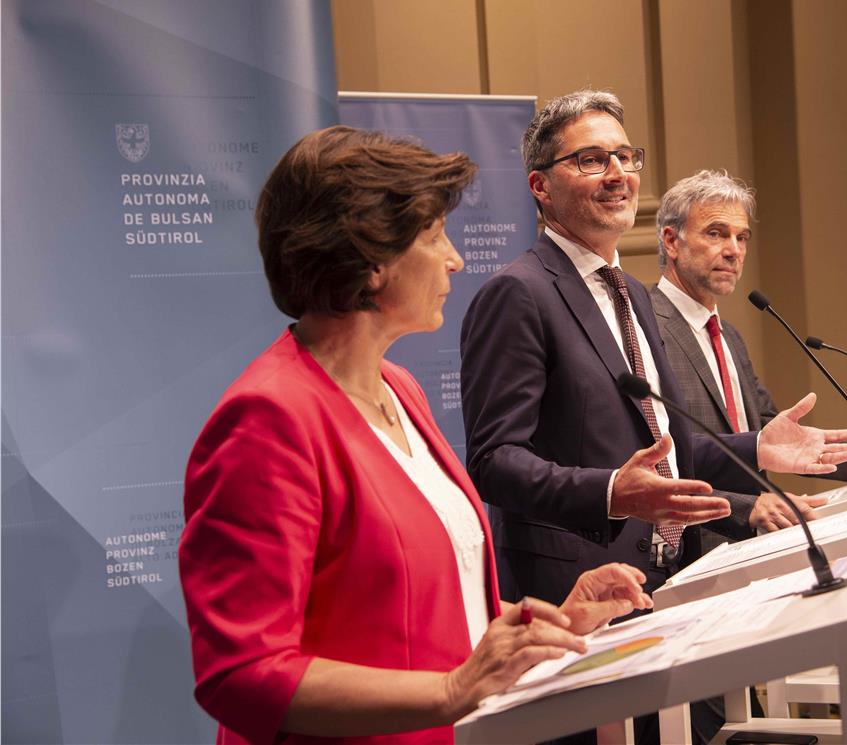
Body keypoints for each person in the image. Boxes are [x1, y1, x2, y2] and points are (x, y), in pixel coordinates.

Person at [178, 125, 654, 745]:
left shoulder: (400, 387)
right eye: (434, 236)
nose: (455, 258)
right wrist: (450, 692)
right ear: (371, 258)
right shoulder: (268, 420)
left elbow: (414, 609)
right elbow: (241, 674)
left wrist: (550, 622)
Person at [459, 91, 847, 742]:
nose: (617, 174)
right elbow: (494, 461)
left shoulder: (633, 295)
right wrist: (610, 492)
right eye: (591, 160)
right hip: (574, 593)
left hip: (665, 583)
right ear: (540, 186)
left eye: (626, 157)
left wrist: (757, 448)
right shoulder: (519, 293)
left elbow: (667, 451)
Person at [652, 169, 847, 553]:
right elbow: (654, 455)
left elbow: (780, 440)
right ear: (671, 241)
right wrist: (745, 507)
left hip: (749, 548)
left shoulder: (729, 337)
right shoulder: (644, 326)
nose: (733, 250)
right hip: (685, 549)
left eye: (741, 237)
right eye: (716, 233)